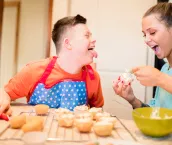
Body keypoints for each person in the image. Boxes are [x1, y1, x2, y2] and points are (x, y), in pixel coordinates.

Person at [0, 14, 104, 115]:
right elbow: (5, 93)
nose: (93, 40)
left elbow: (97, 113)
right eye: (87, 35)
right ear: (68, 43)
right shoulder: (33, 71)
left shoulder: (93, 77)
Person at [113, 3, 172, 109]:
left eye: (152, 32)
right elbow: (156, 115)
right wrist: (132, 99)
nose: (146, 40)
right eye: (145, 35)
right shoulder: (165, 69)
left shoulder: (161, 75)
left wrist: (159, 78)